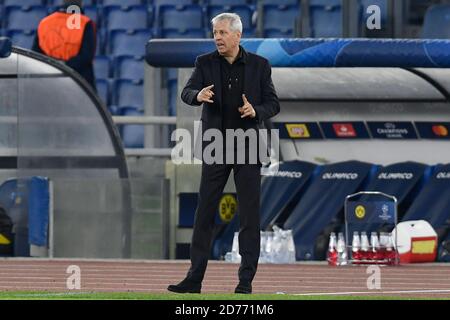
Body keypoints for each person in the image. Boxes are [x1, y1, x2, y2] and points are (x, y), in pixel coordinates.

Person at [168, 13, 280, 294]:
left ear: (237, 36)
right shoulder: (204, 63)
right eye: (214, 33)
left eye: (222, 32)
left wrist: (256, 111)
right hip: (216, 145)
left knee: (249, 216)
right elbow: (186, 92)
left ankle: (245, 281)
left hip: (248, 146)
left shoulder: (260, 65)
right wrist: (197, 96)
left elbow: (273, 103)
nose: (217, 37)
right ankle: (194, 279)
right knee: (204, 212)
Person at [32, 0, 97, 90]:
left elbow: (36, 54)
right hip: (79, 82)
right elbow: (86, 56)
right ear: (81, 3)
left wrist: (54, 65)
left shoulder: (45, 23)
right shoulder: (85, 23)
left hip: (49, 80)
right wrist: (65, 65)